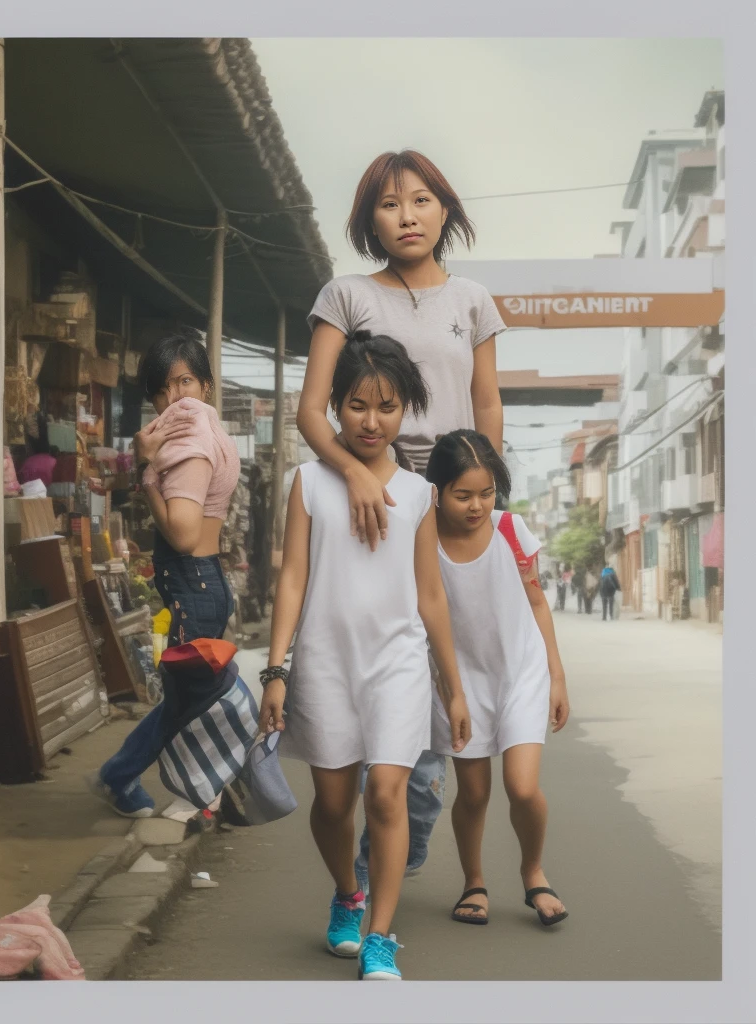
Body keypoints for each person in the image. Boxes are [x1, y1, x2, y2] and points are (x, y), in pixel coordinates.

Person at [295, 148, 507, 895]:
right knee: (373, 657)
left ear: (444, 210)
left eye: (420, 201)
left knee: (443, 658)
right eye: (389, 205)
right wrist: (356, 473)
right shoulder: (346, 295)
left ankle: (405, 817)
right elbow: (311, 408)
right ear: (368, 222)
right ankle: (377, 826)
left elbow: (486, 407)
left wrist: (483, 498)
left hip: (447, 507)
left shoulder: (473, 301)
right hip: (370, 501)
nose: (406, 216)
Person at [258, 332, 471, 982]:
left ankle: (380, 934)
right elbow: (292, 578)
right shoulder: (307, 483)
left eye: (386, 407)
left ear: (404, 409)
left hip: (397, 666)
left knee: (386, 796)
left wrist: (453, 687)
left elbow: (431, 596)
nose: (371, 421)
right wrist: (275, 668)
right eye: (356, 405)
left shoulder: (417, 495)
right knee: (331, 804)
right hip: (323, 663)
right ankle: (346, 895)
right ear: (336, 407)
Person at [92, 331, 240, 817]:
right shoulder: (212, 433)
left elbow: (180, 533)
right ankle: (210, 788)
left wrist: (146, 472)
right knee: (189, 696)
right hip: (206, 583)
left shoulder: (189, 444)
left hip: (192, 582)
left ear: (207, 386)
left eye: (185, 382)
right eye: (162, 390)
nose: (174, 399)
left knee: (185, 701)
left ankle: (124, 775)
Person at [426, 430, 570, 928]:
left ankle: (533, 871)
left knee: (523, 787)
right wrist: (451, 690)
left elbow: (536, 602)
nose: (475, 506)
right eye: (462, 495)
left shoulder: (511, 530)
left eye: (485, 493)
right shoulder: (424, 539)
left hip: (521, 673)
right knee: (474, 794)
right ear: (437, 491)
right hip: (460, 684)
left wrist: (556, 675)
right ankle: (474, 882)